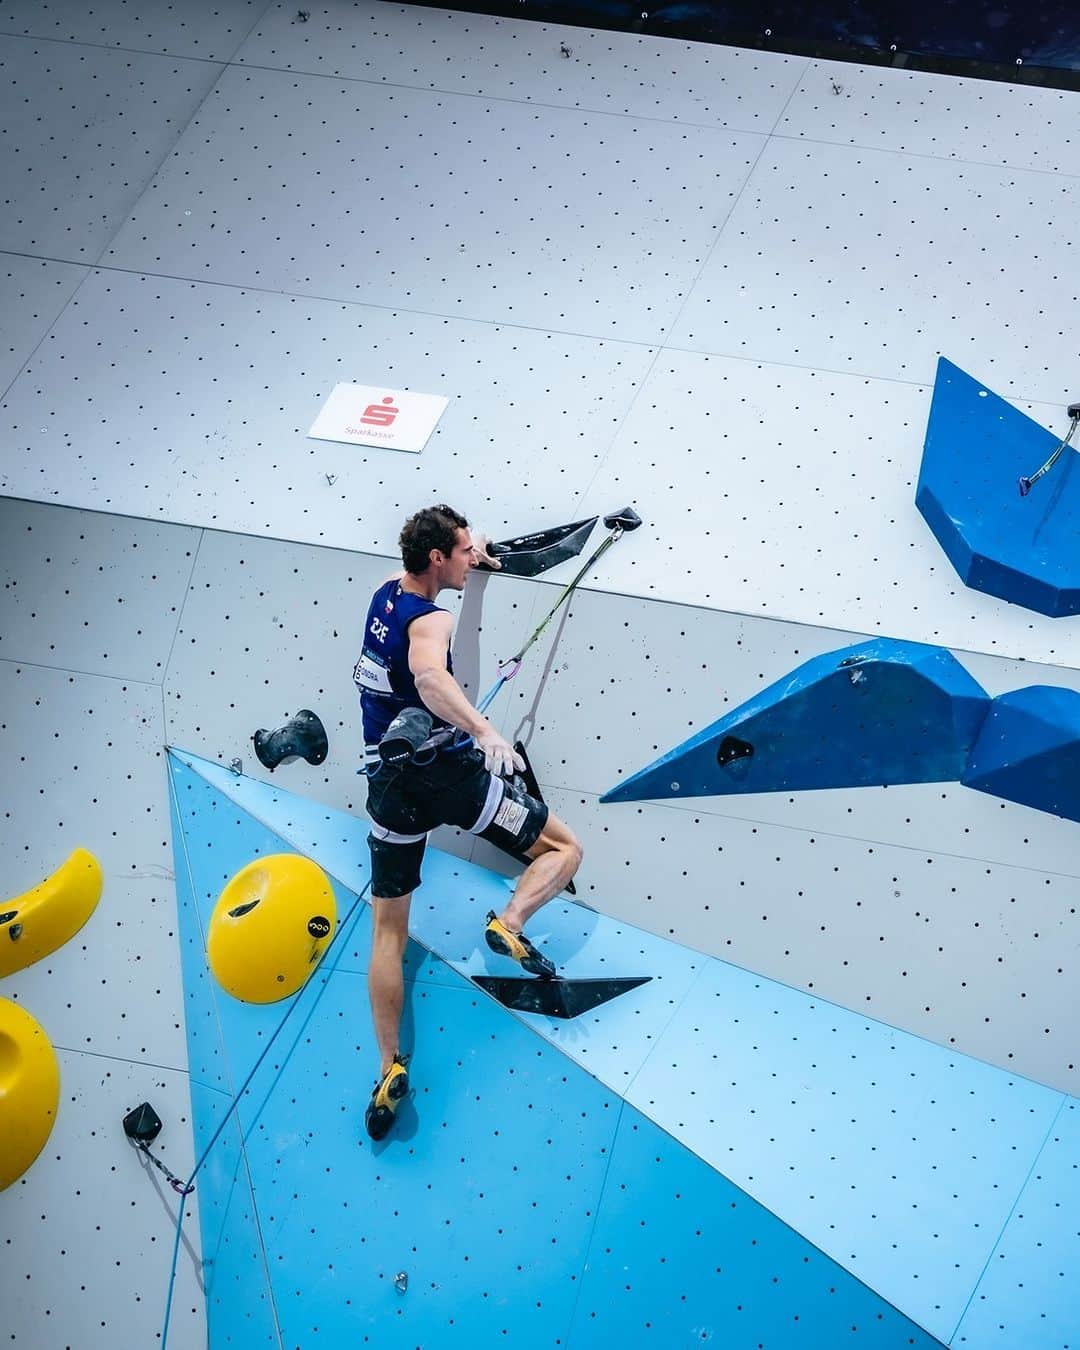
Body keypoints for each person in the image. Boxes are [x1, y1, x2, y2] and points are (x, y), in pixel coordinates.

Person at [355, 504, 583, 1140]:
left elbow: (439, 570)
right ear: (437, 560)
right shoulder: (432, 619)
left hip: (388, 783)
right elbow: (430, 676)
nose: (469, 562)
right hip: (448, 775)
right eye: (461, 554)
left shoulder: (384, 598)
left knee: (387, 935)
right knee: (563, 848)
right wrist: (485, 731)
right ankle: (509, 924)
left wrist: (474, 550)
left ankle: (386, 1066)